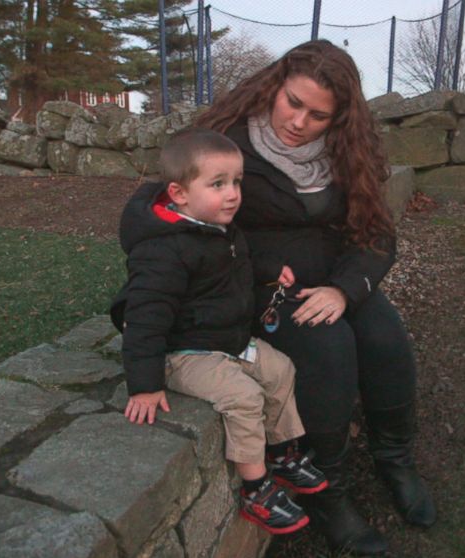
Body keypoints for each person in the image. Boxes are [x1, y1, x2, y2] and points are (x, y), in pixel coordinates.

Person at [196, 40, 436, 555]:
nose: (299, 122)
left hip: (331, 280)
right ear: (275, 85)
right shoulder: (225, 142)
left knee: (384, 335)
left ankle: (395, 458)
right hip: (259, 288)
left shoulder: (347, 152)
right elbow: (174, 210)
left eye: (318, 115)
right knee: (328, 348)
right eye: (293, 103)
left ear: (339, 118)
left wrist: (346, 289)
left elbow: (376, 233)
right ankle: (328, 491)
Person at [109, 128, 328, 535]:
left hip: (225, 339)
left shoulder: (216, 225)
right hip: (183, 353)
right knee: (243, 397)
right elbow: (144, 317)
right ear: (178, 193)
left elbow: (239, 259)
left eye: (236, 182)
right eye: (218, 184)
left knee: (280, 369)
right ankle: (255, 488)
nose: (233, 195)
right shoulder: (163, 250)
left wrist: (269, 271)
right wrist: (144, 385)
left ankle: (281, 451)